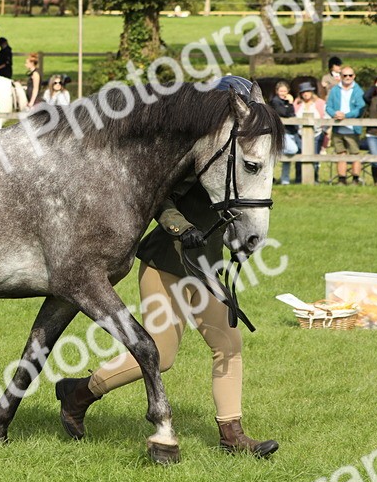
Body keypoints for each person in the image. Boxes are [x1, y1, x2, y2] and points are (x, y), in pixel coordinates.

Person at [55, 77, 277, 459]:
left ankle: (232, 434)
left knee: (229, 345)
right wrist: (182, 227)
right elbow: (158, 203)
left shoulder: (230, 155)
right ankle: (78, 395)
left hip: (206, 267)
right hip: (166, 264)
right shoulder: (184, 154)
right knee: (163, 354)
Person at [326, 65, 365, 184]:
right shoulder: (335, 90)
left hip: (352, 129)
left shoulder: (358, 90)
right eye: (345, 75)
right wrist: (334, 114)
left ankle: (355, 179)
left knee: (354, 154)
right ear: (341, 76)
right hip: (338, 128)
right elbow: (328, 106)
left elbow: (361, 108)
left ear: (354, 76)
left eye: (350, 75)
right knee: (340, 154)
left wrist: (346, 115)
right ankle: (341, 179)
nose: (348, 77)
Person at [292, 79, 326, 183]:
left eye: (308, 91)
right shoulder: (297, 104)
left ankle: (314, 178)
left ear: (312, 92)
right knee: (299, 156)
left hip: (316, 135)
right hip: (300, 134)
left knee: (314, 156)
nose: (306, 94)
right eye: (303, 92)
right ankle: (299, 179)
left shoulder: (320, 103)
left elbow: (325, 117)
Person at [270, 81, 298, 184]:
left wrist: (289, 104)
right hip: (282, 132)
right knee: (293, 150)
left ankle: (285, 180)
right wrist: (290, 103)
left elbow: (292, 114)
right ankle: (274, 153)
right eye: (281, 90)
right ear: (277, 91)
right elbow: (285, 113)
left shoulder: (285, 101)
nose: (283, 93)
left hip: (291, 131)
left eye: (285, 90)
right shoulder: (275, 101)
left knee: (288, 158)